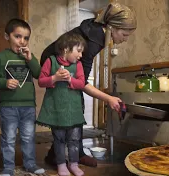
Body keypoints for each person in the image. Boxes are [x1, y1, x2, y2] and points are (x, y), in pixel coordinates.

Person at [41, 2, 137, 167]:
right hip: (54, 66)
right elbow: (81, 83)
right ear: (112, 27)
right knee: (70, 108)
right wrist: (109, 98)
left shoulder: (98, 32)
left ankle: (77, 153)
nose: (125, 39)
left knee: (77, 106)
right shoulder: (93, 41)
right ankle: (56, 156)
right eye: (124, 34)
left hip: (63, 66)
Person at [0, 18, 45, 176]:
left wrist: (30, 58)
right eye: (17, 36)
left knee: (28, 137)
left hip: (28, 106)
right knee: (9, 138)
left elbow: (39, 74)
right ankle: (8, 168)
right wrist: (4, 82)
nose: (22, 41)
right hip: (8, 106)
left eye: (26, 38)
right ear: (7, 36)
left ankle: (30, 164)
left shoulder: (29, 57)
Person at [36, 32, 87, 176]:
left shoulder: (78, 65)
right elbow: (41, 81)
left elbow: (82, 83)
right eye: (78, 51)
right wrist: (55, 77)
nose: (81, 55)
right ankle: (61, 164)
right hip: (56, 110)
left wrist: (70, 80)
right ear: (66, 48)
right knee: (59, 139)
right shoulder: (50, 61)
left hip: (73, 110)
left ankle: (74, 163)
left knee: (75, 139)